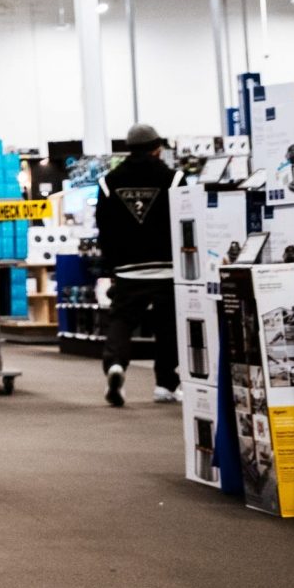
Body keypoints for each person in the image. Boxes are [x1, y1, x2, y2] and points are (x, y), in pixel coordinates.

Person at [97, 123, 179, 407]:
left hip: (128, 268)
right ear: (157, 148)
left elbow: (103, 229)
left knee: (122, 319)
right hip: (168, 266)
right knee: (168, 325)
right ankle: (165, 384)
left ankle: (116, 365)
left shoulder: (109, 182)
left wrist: (112, 267)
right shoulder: (175, 179)